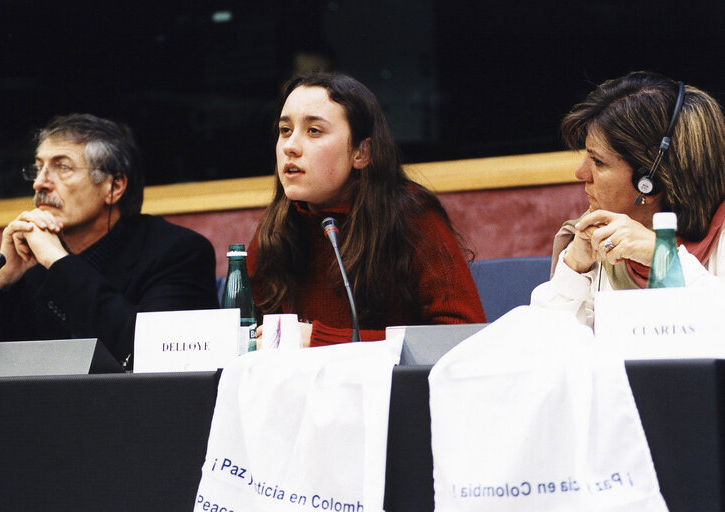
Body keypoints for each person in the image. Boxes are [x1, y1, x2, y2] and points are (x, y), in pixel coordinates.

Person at [247, 71, 485, 346]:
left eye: (314, 131)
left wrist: (320, 341)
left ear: (361, 153)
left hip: (393, 388)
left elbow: (463, 336)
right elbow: (244, 337)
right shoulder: (278, 225)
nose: (290, 146)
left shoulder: (410, 215)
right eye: (285, 130)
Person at [0, 113, 218, 374]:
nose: (39, 183)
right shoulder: (30, 262)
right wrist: (1, 283)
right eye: (38, 167)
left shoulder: (178, 252)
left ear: (114, 187)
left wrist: (60, 263)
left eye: (62, 167)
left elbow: (154, 356)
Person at [531, 71, 725, 326]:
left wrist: (663, 257)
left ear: (650, 181)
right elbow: (546, 346)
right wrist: (574, 269)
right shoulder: (596, 239)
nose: (581, 173)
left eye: (598, 161)